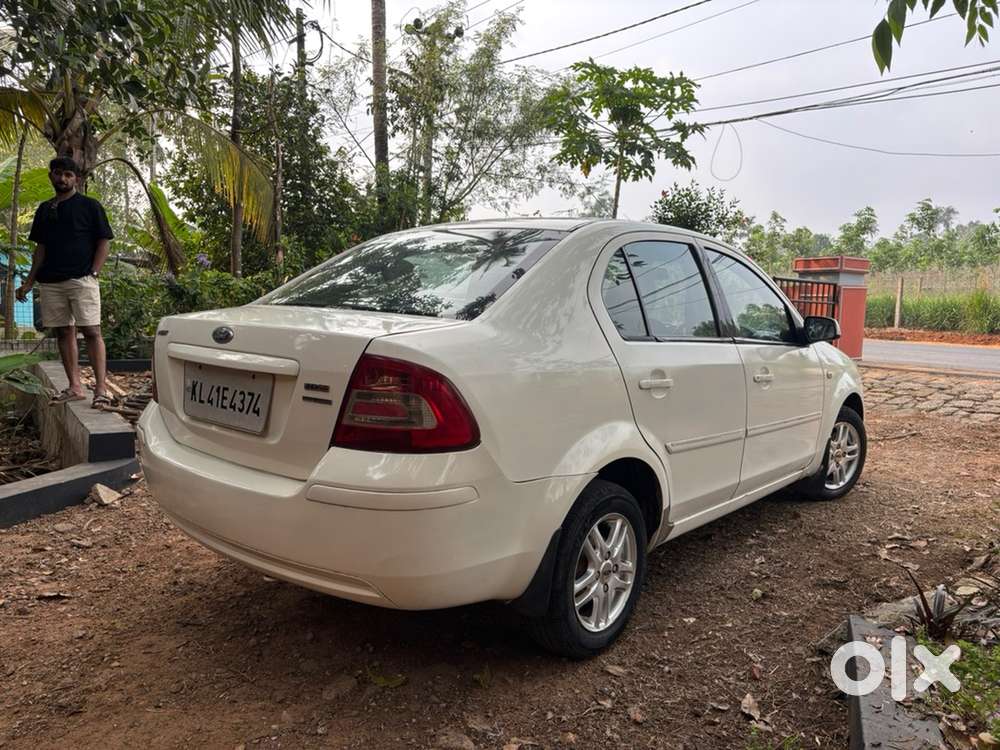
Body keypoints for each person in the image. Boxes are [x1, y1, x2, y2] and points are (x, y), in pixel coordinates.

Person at [16, 157, 114, 408]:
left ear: (77, 179)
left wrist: (93, 272)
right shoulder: (44, 209)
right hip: (51, 281)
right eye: (58, 173)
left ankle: (101, 389)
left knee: (92, 331)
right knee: (63, 331)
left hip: (82, 279)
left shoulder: (90, 206)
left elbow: (104, 241)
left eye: (68, 175)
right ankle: (75, 386)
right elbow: (41, 248)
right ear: (51, 176)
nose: (63, 179)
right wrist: (29, 281)